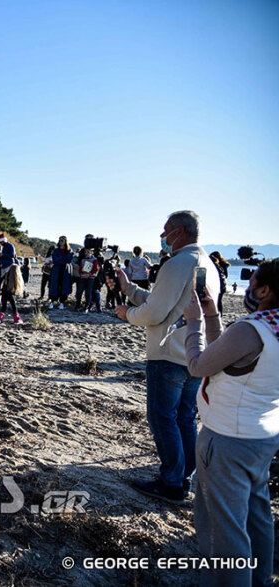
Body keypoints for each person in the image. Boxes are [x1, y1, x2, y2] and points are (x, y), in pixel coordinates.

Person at [109, 210, 221, 503]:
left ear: (179, 232)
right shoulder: (208, 263)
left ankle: (171, 480)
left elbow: (154, 312)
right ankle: (184, 477)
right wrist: (129, 289)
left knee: (162, 417)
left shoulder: (177, 263)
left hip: (167, 352)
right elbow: (167, 303)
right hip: (195, 353)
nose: (162, 237)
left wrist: (127, 313)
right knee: (185, 418)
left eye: (165, 231)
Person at [184, 259, 279, 586]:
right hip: (263, 435)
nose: (248, 286)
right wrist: (212, 316)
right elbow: (228, 357)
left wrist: (194, 323)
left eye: (252, 281)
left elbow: (199, 365)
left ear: (265, 290)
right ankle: (261, 579)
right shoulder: (271, 328)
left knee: (224, 530)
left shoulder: (253, 329)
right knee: (257, 517)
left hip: (226, 439)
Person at [48, 236, 74, 309]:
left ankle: (62, 302)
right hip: (56, 270)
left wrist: (61, 259)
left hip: (66, 270)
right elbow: (55, 260)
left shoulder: (69, 250)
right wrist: (63, 259)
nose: (61, 241)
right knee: (54, 286)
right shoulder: (56, 251)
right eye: (60, 240)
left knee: (64, 286)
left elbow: (69, 259)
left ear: (66, 241)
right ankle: (52, 301)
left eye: (62, 240)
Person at [74, 248, 99, 313]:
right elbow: (80, 268)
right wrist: (81, 274)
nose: (86, 253)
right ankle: (77, 305)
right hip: (83, 277)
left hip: (90, 278)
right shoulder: (83, 259)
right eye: (85, 252)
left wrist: (89, 274)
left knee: (88, 293)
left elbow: (96, 268)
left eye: (88, 252)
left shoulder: (94, 260)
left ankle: (86, 306)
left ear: (92, 252)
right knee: (79, 291)